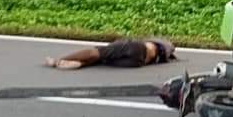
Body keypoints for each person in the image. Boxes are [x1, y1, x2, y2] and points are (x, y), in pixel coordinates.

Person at [45, 37, 176, 70]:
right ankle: (80, 63)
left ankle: (58, 60)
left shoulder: (157, 42)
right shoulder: (165, 53)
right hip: (139, 62)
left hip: (138, 48)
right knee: (104, 59)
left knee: (99, 52)